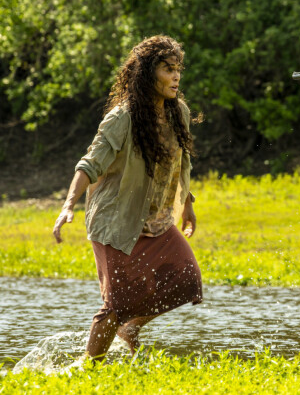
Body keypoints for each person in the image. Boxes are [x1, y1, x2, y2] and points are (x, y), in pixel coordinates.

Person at [53, 35, 203, 361]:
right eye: (168, 70)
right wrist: (68, 206)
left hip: (157, 220)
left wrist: (187, 203)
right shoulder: (122, 118)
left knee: (185, 279)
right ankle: (89, 367)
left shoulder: (179, 111)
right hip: (115, 219)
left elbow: (180, 163)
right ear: (149, 73)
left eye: (178, 69)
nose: (176, 76)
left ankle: (129, 329)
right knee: (117, 303)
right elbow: (89, 164)